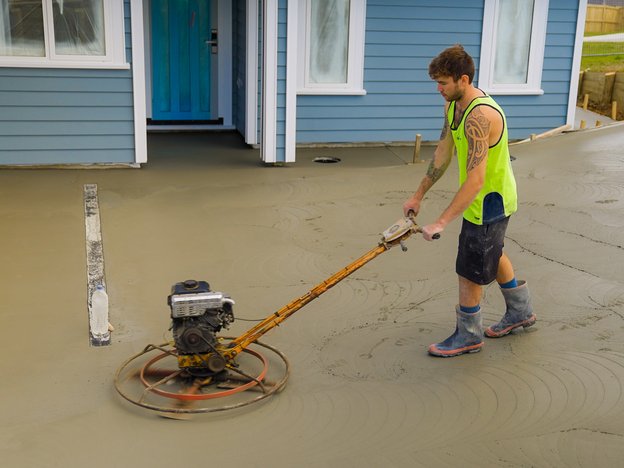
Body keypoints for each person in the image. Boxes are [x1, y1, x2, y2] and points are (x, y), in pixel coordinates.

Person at [403, 44, 536, 357]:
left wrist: (441, 221)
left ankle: (469, 336)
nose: (438, 89)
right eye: (436, 82)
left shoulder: (480, 117)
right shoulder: (453, 106)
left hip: (491, 199)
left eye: (443, 83)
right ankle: (520, 312)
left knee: (469, 267)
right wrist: (418, 195)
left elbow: (476, 180)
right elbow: (443, 153)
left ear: (463, 79)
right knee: (494, 251)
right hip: (482, 197)